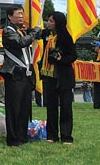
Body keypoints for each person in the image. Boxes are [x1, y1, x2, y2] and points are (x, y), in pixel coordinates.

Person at [0, 4, 40, 147]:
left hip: (26, 74)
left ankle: (22, 136)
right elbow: (19, 43)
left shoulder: (22, 31)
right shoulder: (8, 31)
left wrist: (35, 32)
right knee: (14, 108)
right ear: (10, 16)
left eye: (22, 13)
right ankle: (13, 138)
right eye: (18, 13)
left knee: (24, 107)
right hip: (14, 74)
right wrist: (33, 33)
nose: (21, 16)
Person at [40, 11, 77, 144]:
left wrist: (61, 59)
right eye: (48, 20)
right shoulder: (46, 35)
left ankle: (66, 136)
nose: (48, 23)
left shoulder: (66, 36)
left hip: (64, 77)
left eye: (51, 21)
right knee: (51, 107)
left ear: (58, 22)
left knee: (66, 107)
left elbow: (73, 55)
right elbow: (36, 32)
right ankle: (52, 135)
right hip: (49, 76)